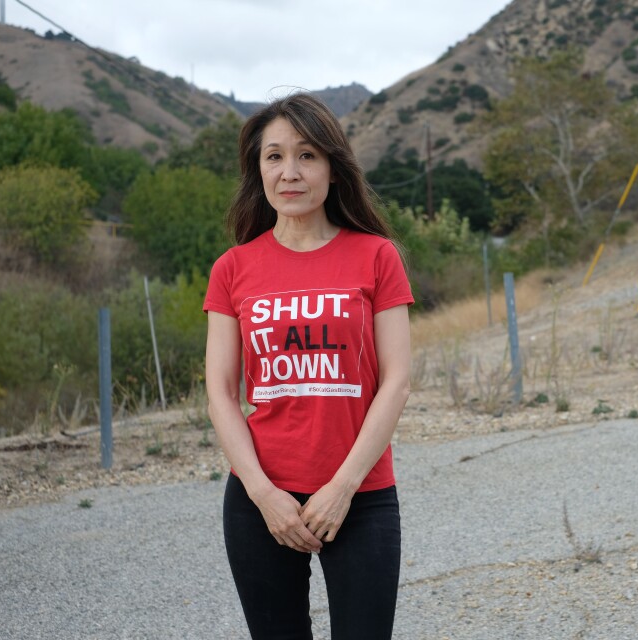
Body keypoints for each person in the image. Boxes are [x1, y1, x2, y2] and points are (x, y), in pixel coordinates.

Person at [203, 92, 413, 640]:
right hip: (260, 501)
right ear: (258, 170)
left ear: (333, 169)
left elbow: (396, 380)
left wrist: (342, 487)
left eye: (307, 155)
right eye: (274, 157)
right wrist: (263, 493)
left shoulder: (376, 255)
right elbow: (221, 393)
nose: (289, 172)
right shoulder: (232, 268)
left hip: (360, 496)